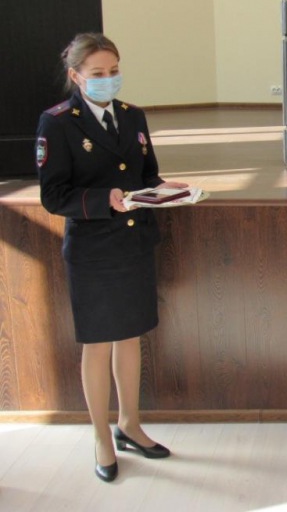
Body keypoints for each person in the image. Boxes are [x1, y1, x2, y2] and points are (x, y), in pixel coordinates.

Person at [35, 33, 188, 483]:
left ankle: (130, 425)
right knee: (99, 344)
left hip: (133, 244)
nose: (109, 79)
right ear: (76, 76)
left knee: (131, 337)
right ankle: (101, 437)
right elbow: (54, 196)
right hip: (94, 251)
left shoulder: (132, 115)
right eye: (98, 73)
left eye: (114, 70)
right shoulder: (57, 123)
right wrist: (106, 199)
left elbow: (147, 175)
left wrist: (167, 190)